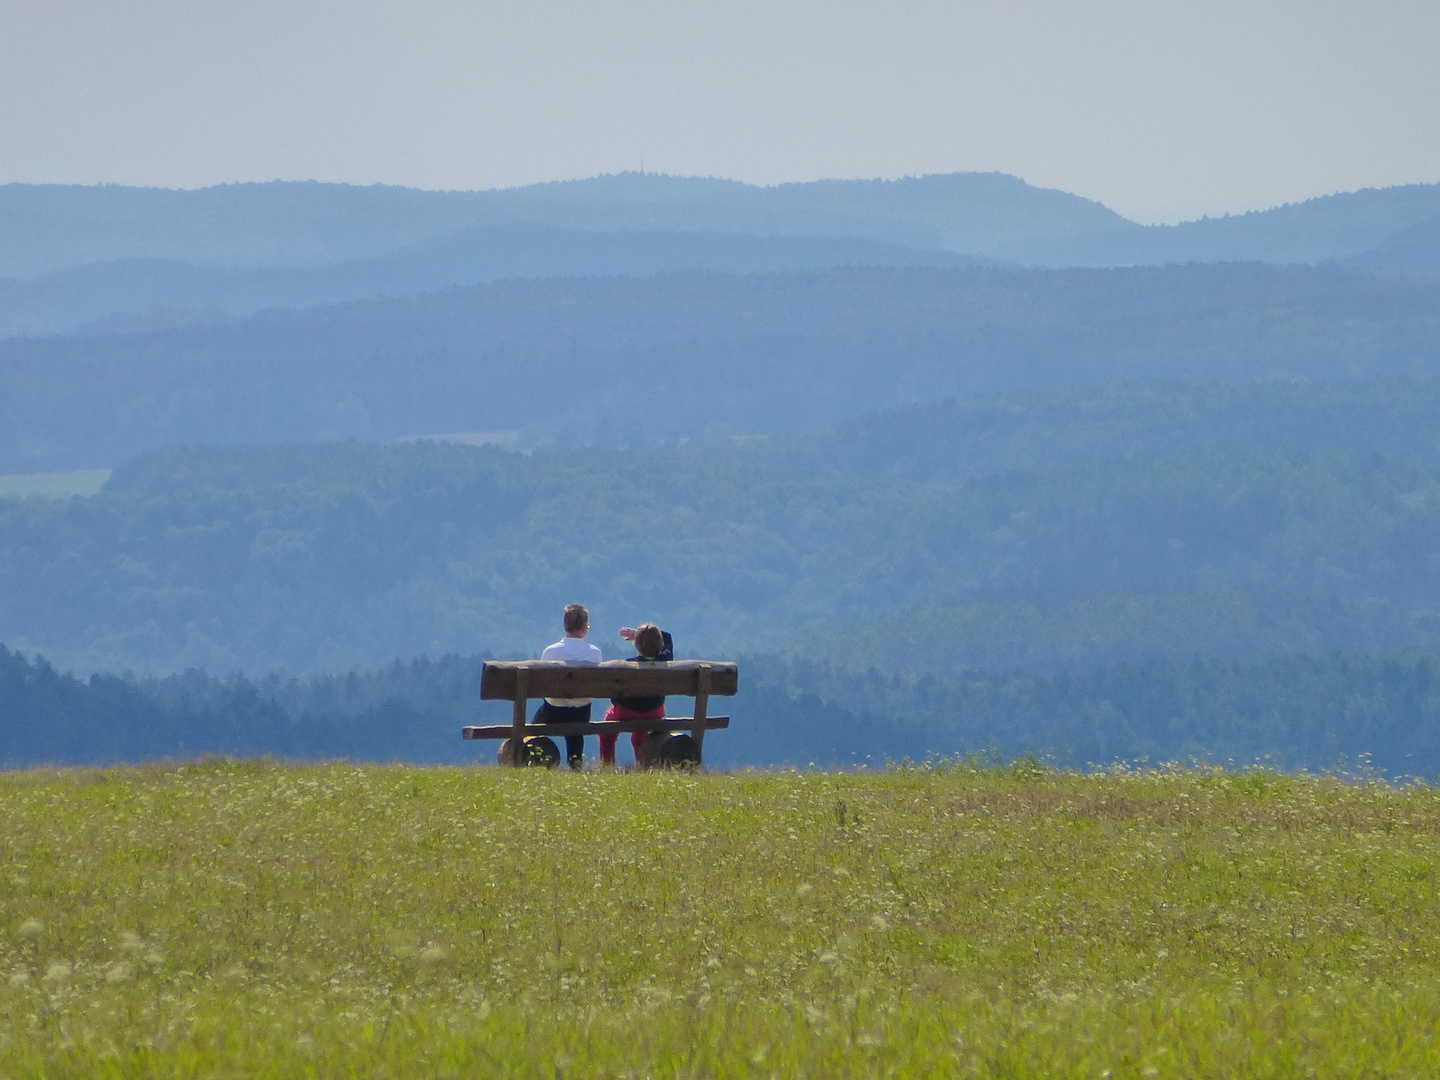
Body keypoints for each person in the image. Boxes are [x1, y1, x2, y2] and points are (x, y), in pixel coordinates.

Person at [535, 604, 602, 769]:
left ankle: (535, 759)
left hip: (554, 710)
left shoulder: (551, 652)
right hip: (581, 712)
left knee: (533, 727)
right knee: (576, 727)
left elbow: (542, 685)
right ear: (585, 627)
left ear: (565, 625)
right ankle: (575, 763)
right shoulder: (595, 653)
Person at [598, 623, 673, 766]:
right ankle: (642, 765)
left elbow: (616, 696)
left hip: (626, 712)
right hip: (655, 711)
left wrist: (640, 635)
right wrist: (641, 634)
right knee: (639, 737)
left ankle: (607, 766)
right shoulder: (666, 660)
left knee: (607, 733)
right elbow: (668, 637)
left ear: (637, 645)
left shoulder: (629, 665)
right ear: (661, 644)